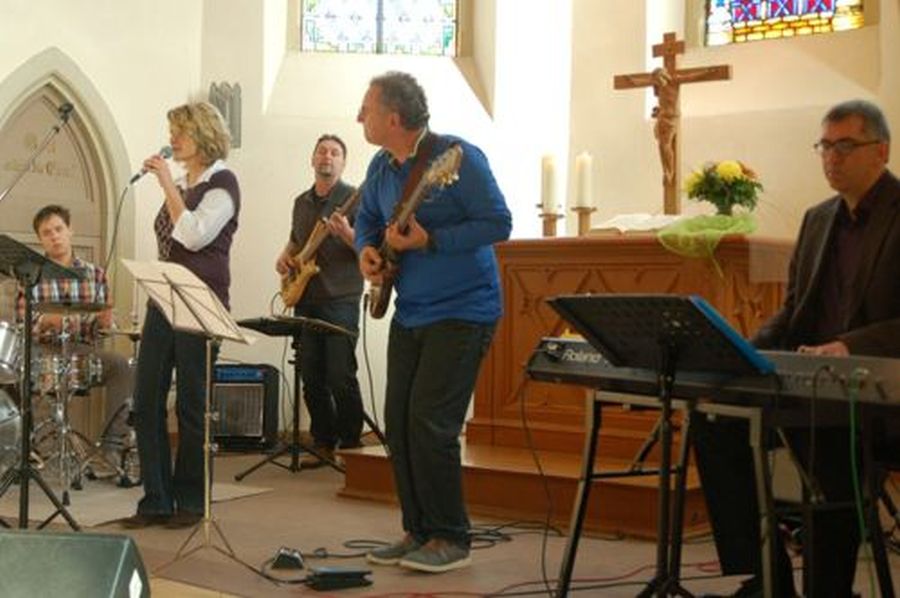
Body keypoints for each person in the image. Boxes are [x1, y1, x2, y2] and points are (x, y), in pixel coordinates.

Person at [693, 99, 900, 597]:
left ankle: (828, 588)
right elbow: (792, 313)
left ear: (881, 151)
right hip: (813, 385)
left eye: (845, 145)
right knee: (715, 416)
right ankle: (768, 579)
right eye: (824, 146)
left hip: (880, 392)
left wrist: (848, 345)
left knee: (828, 446)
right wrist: (740, 353)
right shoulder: (817, 219)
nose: (832, 157)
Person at [354, 71, 512, 573]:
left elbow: (499, 222)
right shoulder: (380, 166)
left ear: (393, 118)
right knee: (398, 422)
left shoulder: (458, 158)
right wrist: (365, 251)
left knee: (431, 422)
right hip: (412, 311)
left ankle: (450, 537)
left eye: (366, 109)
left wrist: (432, 241)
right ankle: (418, 530)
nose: (359, 117)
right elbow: (366, 220)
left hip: (464, 310)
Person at [123, 101, 239, 529]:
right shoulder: (184, 183)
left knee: (192, 405)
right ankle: (156, 498)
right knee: (147, 399)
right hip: (165, 300)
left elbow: (192, 235)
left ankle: (191, 500)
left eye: (180, 131)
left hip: (200, 303)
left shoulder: (223, 183)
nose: (172, 139)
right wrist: (173, 186)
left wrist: (166, 186)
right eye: (171, 130)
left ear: (203, 135)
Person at [275, 134, 364, 467]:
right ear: (313, 159)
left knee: (341, 375)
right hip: (306, 297)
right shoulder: (301, 202)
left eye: (335, 152)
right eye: (322, 151)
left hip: (341, 298)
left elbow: (370, 248)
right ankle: (324, 443)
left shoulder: (355, 199)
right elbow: (295, 241)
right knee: (311, 377)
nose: (327, 156)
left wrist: (347, 234)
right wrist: (284, 258)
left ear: (343, 162)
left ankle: (352, 447)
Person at [18, 204, 133, 445]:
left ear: (70, 230)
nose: (54, 236)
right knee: (19, 368)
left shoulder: (96, 275)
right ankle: (31, 447)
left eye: (59, 229)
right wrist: (45, 321)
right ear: (40, 239)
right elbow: (22, 322)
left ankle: (113, 443)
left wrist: (105, 321)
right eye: (47, 233)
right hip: (42, 350)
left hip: (82, 351)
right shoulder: (30, 275)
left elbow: (103, 328)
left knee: (121, 366)